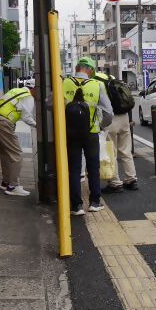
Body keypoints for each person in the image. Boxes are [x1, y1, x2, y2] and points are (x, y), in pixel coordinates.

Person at [63, 57, 113, 216]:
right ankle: (94, 202)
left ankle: (76, 206)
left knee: (74, 169)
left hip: (70, 132)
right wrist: (101, 125)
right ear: (90, 71)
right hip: (91, 132)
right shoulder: (97, 85)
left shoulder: (64, 83)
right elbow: (109, 113)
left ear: (77, 67)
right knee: (93, 167)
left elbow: (50, 104)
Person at [0, 81, 39, 196]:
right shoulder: (28, 97)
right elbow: (26, 117)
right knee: (17, 155)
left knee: (4, 154)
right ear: (34, 88)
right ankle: (13, 186)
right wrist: (38, 125)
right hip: (3, 123)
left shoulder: (15, 90)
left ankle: (5, 182)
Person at [95, 72, 139, 195]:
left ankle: (115, 183)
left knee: (111, 152)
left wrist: (102, 124)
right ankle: (131, 180)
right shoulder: (112, 79)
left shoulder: (96, 82)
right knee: (126, 151)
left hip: (110, 119)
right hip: (124, 117)